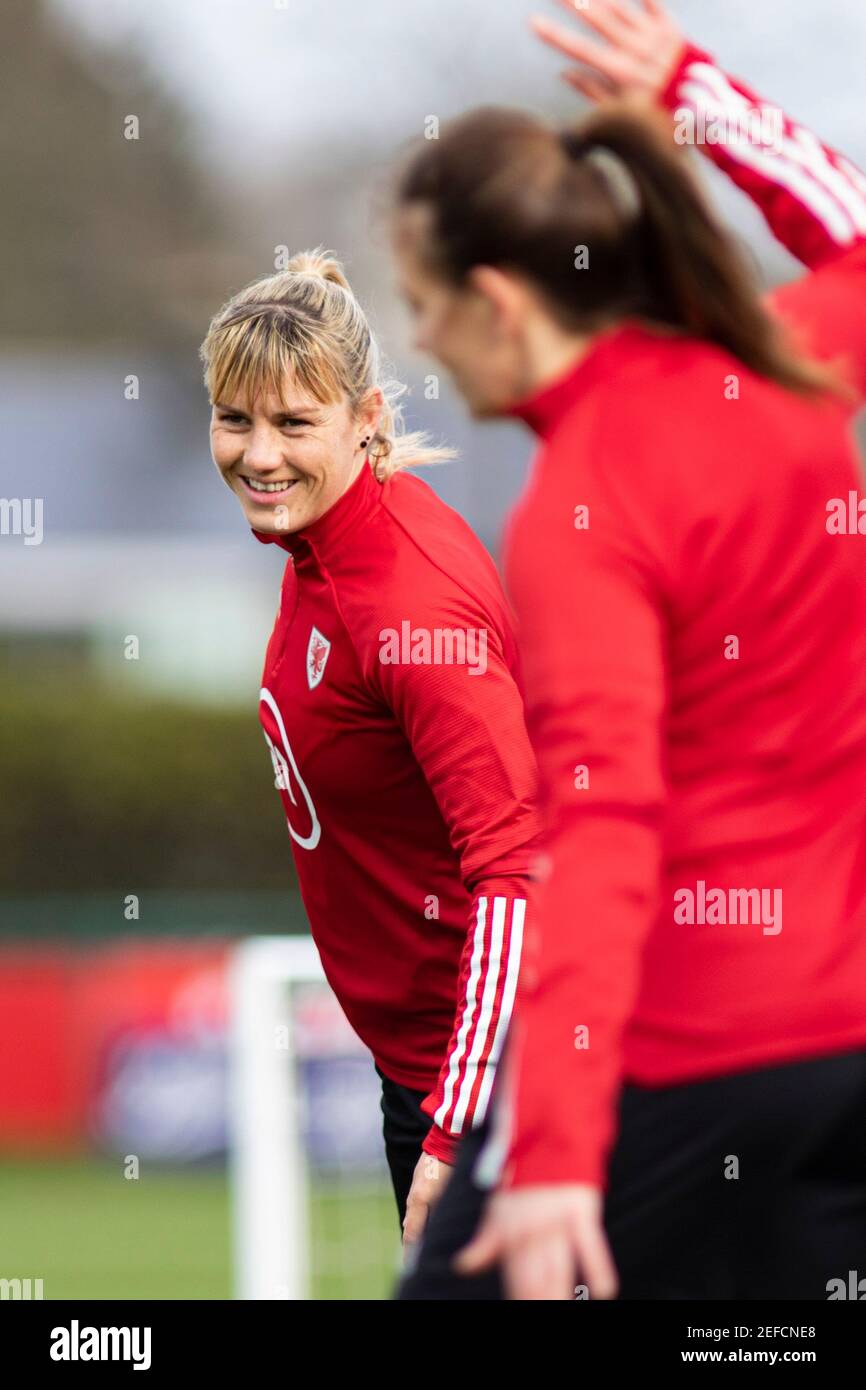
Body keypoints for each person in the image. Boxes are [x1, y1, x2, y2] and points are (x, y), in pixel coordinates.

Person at [392, 0, 866, 1299]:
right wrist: (701, 90)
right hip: (840, 1049)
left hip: (686, 1057)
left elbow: (601, 831)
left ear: (497, 300)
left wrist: (551, 1151)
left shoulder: (579, 510)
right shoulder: (780, 367)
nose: (419, 340)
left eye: (423, 305)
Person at [199, 250, 539, 1249]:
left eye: (293, 423)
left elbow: (517, 871)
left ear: (368, 416)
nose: (258, 454)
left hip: (501, 1088)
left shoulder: (408, 604)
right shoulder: (320, 543)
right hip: (435, 1077)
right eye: (235, 418)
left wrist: (452, 1134)